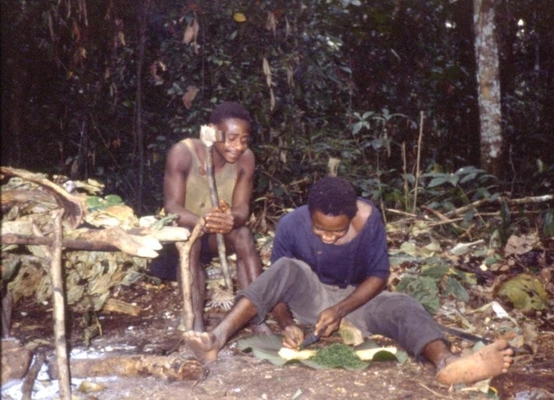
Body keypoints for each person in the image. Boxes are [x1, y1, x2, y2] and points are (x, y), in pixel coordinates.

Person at [183, 176, 515, 385]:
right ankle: (216, 339)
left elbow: (379, 276)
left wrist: (341, 310)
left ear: (353, 216)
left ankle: (448, 363)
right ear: (309, 213)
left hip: (359, 302)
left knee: (405, 305)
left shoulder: (369, 219)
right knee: (285, 266)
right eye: (319, 229)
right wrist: (286, 325)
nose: (327, 237)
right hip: (310, 299)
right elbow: (277, 287)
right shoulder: (290, 224)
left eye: (337, 231)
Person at [156, 101, 269, 334]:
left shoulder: (246, 159)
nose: (238, 146)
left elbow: (242, 209)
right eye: (231, 138)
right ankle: (194, 319)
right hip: (185, 235)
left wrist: (231, 219)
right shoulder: (183, 153)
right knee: (192, 239)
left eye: (244, 140)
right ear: (211, 131)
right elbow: (172, 207)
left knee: (244, 235)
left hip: (219, 235)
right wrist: (201, 222)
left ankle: (255, 315)